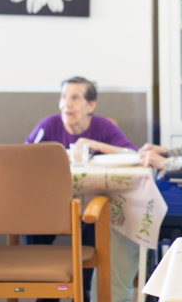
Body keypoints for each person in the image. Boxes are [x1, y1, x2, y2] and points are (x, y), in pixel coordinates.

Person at [24, 76, 139, 302]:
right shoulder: (49, 125)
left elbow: (133, 155)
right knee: (33, 219)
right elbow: (24, 157)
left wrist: (96, 145)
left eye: (75, 98)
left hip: (90, 204)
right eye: (64, 97)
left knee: (94, 220)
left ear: (91, 105)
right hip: (50, 203)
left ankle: (86, 289)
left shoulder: (102, 127)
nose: (67, 104)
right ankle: (45, 291)